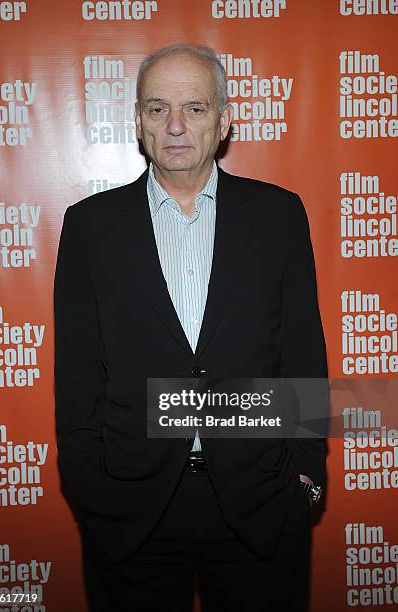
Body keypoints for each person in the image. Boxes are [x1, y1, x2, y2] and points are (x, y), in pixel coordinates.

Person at [54, 43, 328, 612]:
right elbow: (78, 375)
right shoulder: (89, 228)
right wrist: (91, 490)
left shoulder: (279, 217)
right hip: (132, 512)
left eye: (195, 109)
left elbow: (302, 354)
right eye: (157, 109)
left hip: (260, 504)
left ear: (225, 120)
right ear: (137, 122)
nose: (175, 125)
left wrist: (304, 479)